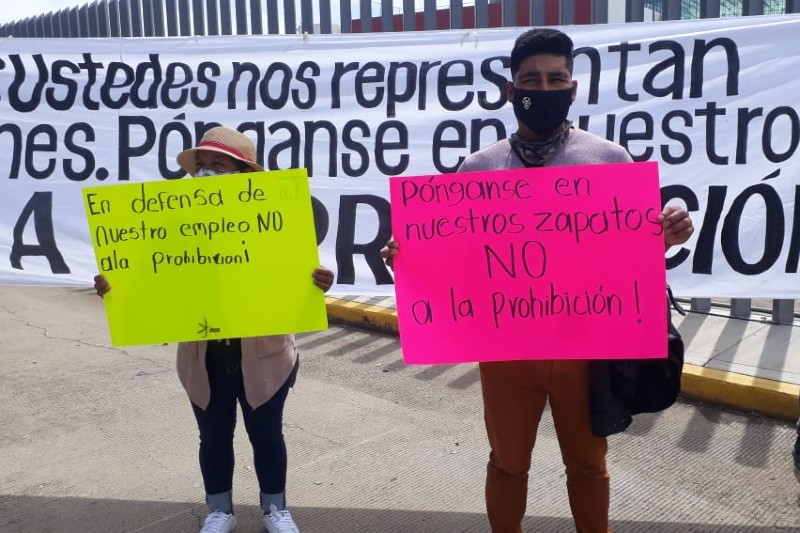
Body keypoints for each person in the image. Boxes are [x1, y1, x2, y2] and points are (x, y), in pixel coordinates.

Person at [382, 28, 694, 533]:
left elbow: (625, 255)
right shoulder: (477, 167)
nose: (543, 88)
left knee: (588, 464)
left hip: (587, 351)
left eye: (556, 79)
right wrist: (411, 259)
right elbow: (456, 260)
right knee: (508, 462)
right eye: (531, 79)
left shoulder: (611, 161)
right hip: (507, 352)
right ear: (511, 90)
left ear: (572, 89)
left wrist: (664, 239)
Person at [94, 126, 334, 533]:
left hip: (265, 357)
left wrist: (321, 280)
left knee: (267, 437)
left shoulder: (276, 219)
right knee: (213, 438)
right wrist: (116, 289)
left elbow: (306, 271)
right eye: (199, 167)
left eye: (216, 166)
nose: (204, 173)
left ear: (242, 173)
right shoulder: (173, 224)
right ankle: (219, 510)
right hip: (202, 356)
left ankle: (276, 509)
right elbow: (149, 278)